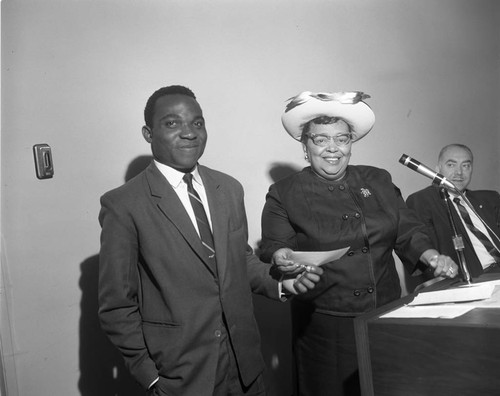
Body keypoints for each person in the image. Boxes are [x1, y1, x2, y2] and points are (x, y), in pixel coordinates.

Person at [98, 85, 323, 396]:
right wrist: (149, 376)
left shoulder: (228, 189)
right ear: (148, 133)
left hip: (246, 368)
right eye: (172, 123)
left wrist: (282, 284)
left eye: (198, 122)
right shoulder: (124, 205)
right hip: (181, 377)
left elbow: (239, 260)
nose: (189, 133)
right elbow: (116, 304)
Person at [259, 91, 459, 396]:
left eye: (342, 139)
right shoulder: (284, 192)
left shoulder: (377, 180)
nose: (333, 149)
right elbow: (274, 246)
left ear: (351, 144)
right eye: (321, 139)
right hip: (325, 326)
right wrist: (282, 258)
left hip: (385, 312)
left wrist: (431, 256)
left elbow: (406, 230)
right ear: (305, 146)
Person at [406, 144, 500, 280]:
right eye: (451, 165)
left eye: (466, 166)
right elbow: (420, 244)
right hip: (475, 277)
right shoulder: (423, 200)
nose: (459, 173)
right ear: (438, 169)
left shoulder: (489, 198)